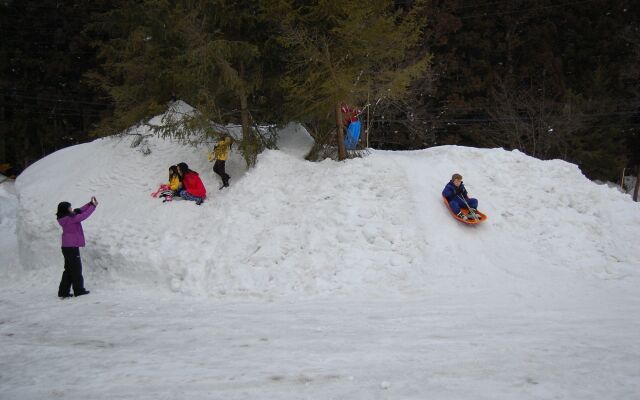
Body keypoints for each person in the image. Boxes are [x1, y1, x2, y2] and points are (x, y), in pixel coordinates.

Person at [56, 196, 98, 298]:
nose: (71, 209)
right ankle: (79, 290)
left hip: (66, 247)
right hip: (72, 247)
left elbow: (79, 211)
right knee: (76, 269)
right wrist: (93, 207)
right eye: (69, 208)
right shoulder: (70, 219)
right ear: (65, 209)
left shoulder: (65, 217)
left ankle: (63, 292)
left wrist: (89, 204)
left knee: (69, 270)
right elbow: (83, 215)